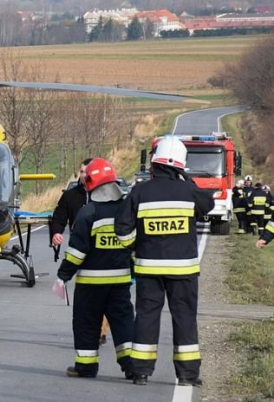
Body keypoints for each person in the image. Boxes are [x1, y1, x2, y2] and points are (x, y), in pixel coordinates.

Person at [114, 136, 214, 387]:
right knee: (185, 319)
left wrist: (136, 247)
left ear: (154, 164)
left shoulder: (139, 192)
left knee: (146, 317)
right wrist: (187, 179)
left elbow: (122, 230)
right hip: (184, 270)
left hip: (149, 268)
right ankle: (188, 375)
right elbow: (209, 204)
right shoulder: (189, 191)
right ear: (180, 165)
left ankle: (141, 372)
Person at [54, 158, 134, 379]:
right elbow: (135, 245)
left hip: (91, 285)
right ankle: (132, 367)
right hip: (120, 283)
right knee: (123, 323)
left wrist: (63, 276)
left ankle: (86, 367)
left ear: (91, 182)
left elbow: (77, 252)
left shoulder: (88, 213)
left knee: (86, 324)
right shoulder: (126, 211)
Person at [50, 158, 92, 247]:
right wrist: (56, 233)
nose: (84, 175)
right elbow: (58, 218)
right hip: (78, 245)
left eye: (87, 172)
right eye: (81, 172)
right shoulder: (69, 196)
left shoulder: (107, 195)